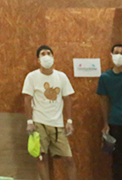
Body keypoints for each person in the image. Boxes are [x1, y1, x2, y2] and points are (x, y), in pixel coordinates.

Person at [22, 45, 77, 180]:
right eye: (43, 54)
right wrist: (29, 122)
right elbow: (27, 99)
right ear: (38, 59)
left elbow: (67, 99)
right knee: (41, 158)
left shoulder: (61, 77)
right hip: (39, 123)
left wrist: (69, 121)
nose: (46, 56)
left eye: (49, 53)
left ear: (53, 57)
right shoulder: (32, 77)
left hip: (57, 124)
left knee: (69, 159)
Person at [97, 43, 122, 180]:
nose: (118, 55)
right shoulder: (105, 77)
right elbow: (103, 101)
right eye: (116, 52)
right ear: (111, 55)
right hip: (116, 124)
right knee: (117, 159)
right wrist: (106, 123)